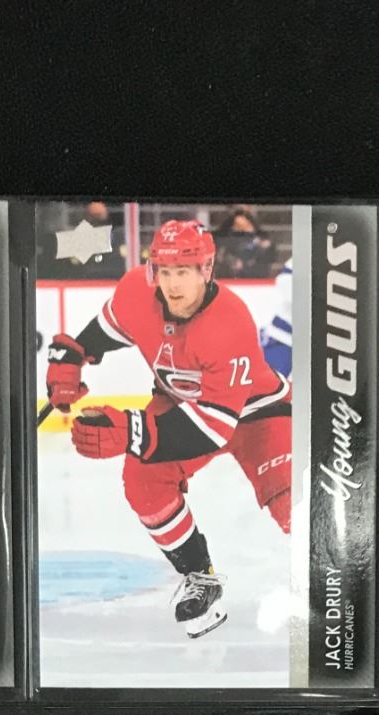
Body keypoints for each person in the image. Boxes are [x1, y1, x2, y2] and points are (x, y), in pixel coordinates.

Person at [44, 218, 292, 639]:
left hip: (257, 413)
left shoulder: (230, 322)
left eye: (184, 272)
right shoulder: (135, 293)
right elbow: (103, 332)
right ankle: (200, 577)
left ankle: (344, 576)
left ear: (206, 270)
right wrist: (72, 357)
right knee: (143, 482)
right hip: (180, 403)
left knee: (290, 502)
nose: (173, 284)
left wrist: (131, 430)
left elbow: (212, 429)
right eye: (165, 271)